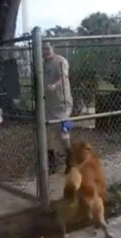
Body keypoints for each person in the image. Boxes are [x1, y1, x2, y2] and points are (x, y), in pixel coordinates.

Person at [42, 42, 73, 174]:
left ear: (53, 48)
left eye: (48, 48)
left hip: (63, 104)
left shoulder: (61, 61)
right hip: (49, 105)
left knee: (64, 133)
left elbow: (64, 78)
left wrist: (55, 86)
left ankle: (71, 160)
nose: (46, 51)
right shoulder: (42, 64)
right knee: (47, 135)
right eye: (43, 49)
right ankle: (52, 162)